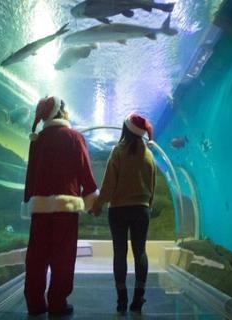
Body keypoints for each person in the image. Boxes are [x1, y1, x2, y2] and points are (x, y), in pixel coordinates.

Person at [23, 96, 99, 317]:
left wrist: (28, 198)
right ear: (61, 112)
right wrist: (92, 197)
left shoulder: (37, 140)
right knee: (63, 257)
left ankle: (35, 303)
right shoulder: (74, 137)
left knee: (36, 256)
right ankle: (57, 303)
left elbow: (31, 175)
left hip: (40, 208)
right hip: (66, 209)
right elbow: (84, 170)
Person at [89, 113, 156, 315]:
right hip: (141, 210)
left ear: (125, 129)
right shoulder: (149, 155)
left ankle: (121, 300)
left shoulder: (118, 151)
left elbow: (108, 186)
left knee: (120, 253)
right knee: (140, 252)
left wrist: (98, 204)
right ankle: (138, 297)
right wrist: (147, 207)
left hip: (118, 210)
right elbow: (152, 188)